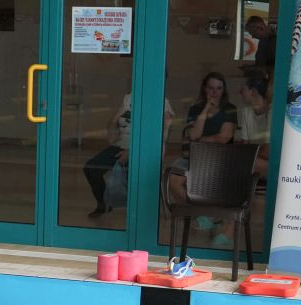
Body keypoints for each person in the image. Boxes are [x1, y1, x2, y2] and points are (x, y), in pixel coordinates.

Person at [84, 95, 175, 219]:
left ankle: (139, 211)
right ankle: (103, 205)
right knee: (90, 168)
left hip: (144, 148)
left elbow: (159, 135)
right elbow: (111, 126)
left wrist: (132, 151)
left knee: (134, 175)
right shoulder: (128, 98)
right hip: (121, 145)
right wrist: (113, 124)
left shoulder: (159, 99)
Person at [167, 73, 238, 213]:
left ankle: (201, 213)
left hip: (219, 157)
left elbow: (223, 138)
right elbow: (194, 134)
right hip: (195, 156)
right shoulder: (196, 109)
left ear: (223, 90)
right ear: (205, 89)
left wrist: (198, 141)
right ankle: (199, 214)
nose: (215, 92)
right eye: (211, 88)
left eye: (219, 88)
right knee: (173, 179)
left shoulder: (230, 108)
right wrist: (205, 110)